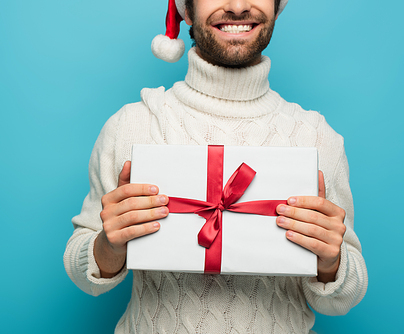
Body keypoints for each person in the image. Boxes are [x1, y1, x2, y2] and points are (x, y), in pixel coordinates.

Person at [64, 0, 368, 332]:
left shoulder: (317, 137)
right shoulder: (132, 125)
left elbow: (343, 299)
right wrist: (109, 245)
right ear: (186, 9)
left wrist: (331, 261)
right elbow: (85, 277)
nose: (237, 6)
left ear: (278, 5)